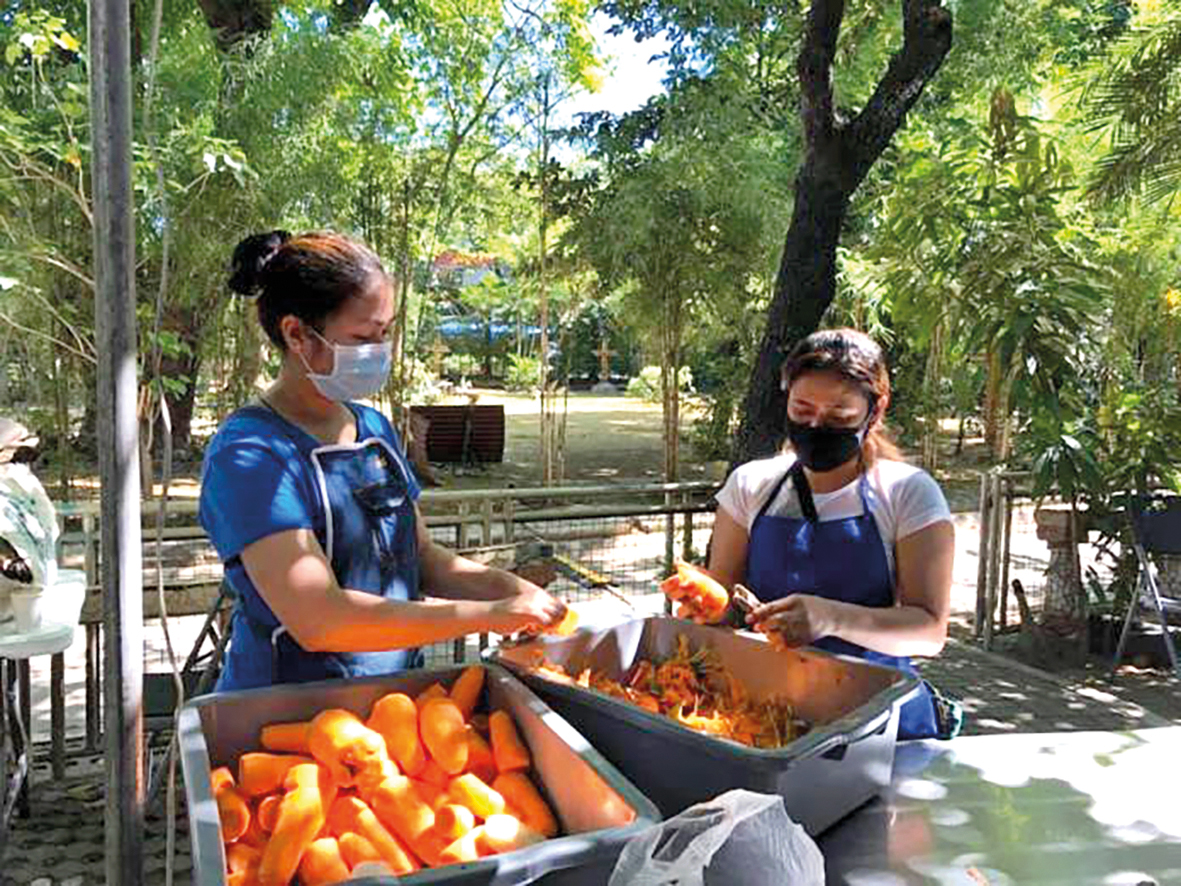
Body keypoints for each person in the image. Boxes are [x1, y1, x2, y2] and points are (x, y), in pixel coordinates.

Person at [199, 230, 566, 691]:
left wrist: (511, 590)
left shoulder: (374, 430)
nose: (379, 349)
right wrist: (487, 616)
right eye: (361, 336)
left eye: (385, 332)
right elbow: (320, 619)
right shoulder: (251, 456)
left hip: (393, 698)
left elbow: (423, 558)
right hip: (289, 714)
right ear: (296, 334)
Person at [703, 328, 957, 740]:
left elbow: (928, 632)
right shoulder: (752, 485)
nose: (817, 424)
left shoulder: (906, 493)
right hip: (767, 711)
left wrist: (829, 618)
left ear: (875, 411)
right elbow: (723, 597)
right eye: (802, 409)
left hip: (877, 720)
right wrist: (701, 602)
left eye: (839, 415)